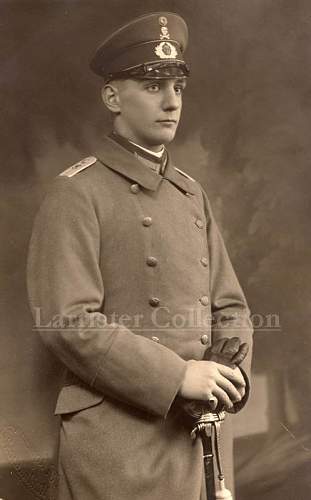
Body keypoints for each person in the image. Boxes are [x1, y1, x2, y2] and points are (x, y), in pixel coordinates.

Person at [27, 12, 253, 500]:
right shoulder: (76, 193)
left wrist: (228, 374)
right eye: (153, 87)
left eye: (177, 87)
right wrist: (177, 376)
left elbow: (231, 307)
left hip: (198, 439)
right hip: (119, 447)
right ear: (112, 97)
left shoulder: (192, 195)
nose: (172, 102)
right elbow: (67, 321)